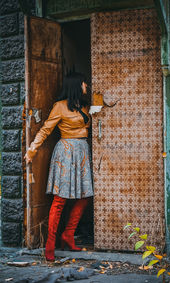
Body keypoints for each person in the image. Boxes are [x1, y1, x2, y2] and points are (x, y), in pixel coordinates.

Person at [25, 72, 93, 262]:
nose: (86, 85)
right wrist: (32, 149)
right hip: (65, 152)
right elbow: (46, 129)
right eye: (83, 82)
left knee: (85, 197)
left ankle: (68, 235)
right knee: (60, 199)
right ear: (76, 85)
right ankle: (50, 244)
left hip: (82, 151)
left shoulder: (85, 106)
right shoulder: (60, 106)